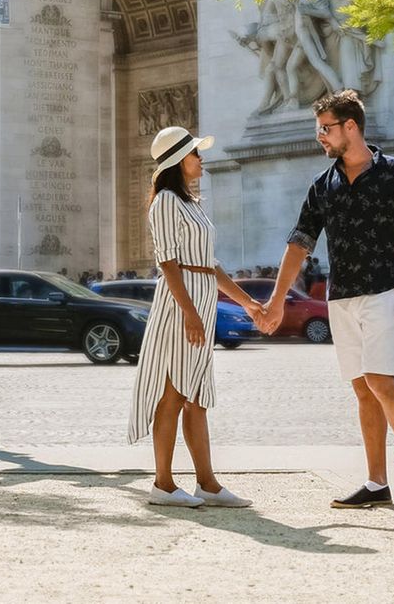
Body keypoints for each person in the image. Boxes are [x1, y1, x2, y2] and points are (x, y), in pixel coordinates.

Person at [257, 90, 394, 510]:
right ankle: (377, 482)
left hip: (386, 291)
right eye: (318, 130)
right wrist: (275, 300)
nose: (320, 138)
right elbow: (298, 246)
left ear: (351, 127)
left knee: (380, 380)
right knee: (362, 389)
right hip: (341, 299)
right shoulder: (322, 185)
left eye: (325, 129)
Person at [128, 125, 262, 508]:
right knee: (173, 392)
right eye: (195, 153)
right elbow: (168, 262)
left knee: (197, 395)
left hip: (200, 298)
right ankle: (163, 483)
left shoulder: (192, 204)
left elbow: (211, 266)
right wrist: (189, 314)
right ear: (177, 160)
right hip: (179, 302)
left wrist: (247, 303)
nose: (201, 159)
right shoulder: (167, 202)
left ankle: (207, 483)